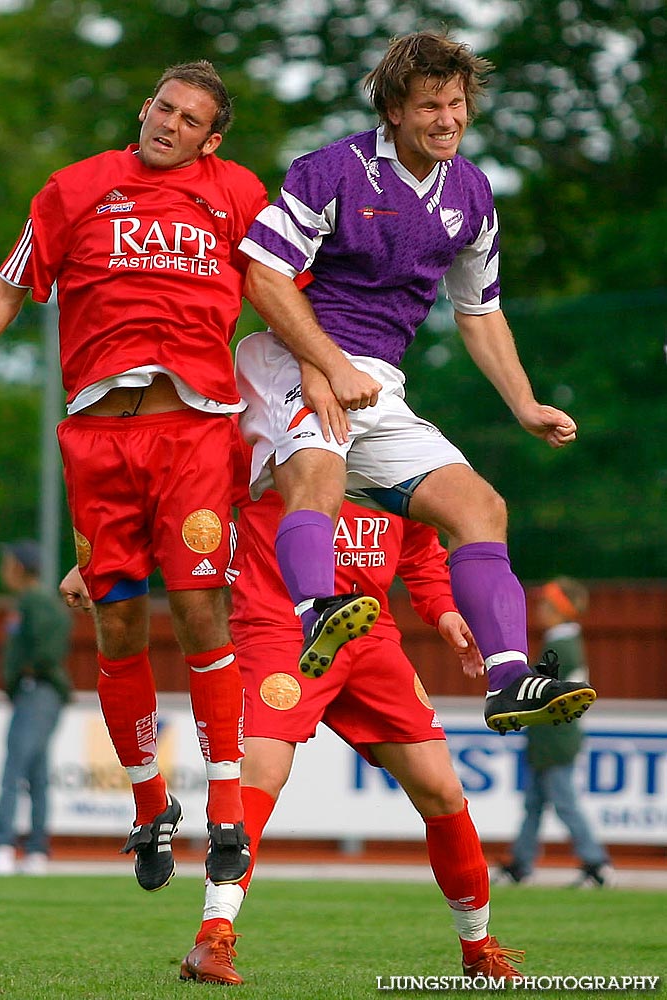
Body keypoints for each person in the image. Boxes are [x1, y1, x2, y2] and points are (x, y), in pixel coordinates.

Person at [0, 61, 269, 891]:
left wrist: (316, 385)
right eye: (162, 107)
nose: (169, 123)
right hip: (98, 442)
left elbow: (284, 297)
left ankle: (229, 808)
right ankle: (148, 804)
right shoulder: (74, 189)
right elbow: (5, 288)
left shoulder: (238, 194)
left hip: (194, 431)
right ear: (145, 108)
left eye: (190, 117)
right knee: (117, 626)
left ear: (212, 138)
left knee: (202, 608)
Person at [62, 432, 526, 985]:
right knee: (259, 773)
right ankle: (211, 940)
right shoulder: (270, 441)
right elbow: (182, 496)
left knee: (442, 790)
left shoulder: (395, 456)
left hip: (372, 638)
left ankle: (479, 951)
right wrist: (102, 564)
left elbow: (423, 557)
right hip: (279, 631)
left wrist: (446, 612)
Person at [233, 30, 596, 735]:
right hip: (295, 361)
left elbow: (479, 312)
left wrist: (522, 403)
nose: (447, 119)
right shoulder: (330, 170)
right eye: (430, 104)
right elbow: (265, 275)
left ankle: (508, 677)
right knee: (316, 477)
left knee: (479, 508)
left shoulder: (470, 193)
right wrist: (328, 365)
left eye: (456, 104)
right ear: (393, 109)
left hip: (378, 383)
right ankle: (316, 614)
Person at [495, 577, 614, 889]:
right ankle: (521, 864)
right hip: (549, 739)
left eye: (547, 605)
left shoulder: (560, 646)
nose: (540, 610)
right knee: (535, 804)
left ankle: (596, 864)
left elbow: (540, 693)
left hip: (554, 740)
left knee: (563, 803)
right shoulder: (562, 642)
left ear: (563, 609)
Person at [0, 540, 72, 875]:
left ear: (19, 567)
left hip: (37, 692)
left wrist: (25, 673)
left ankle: (2, 846)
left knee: (14, 770)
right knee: (36, 773)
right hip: (36, 694)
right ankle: (36, 851)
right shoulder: (30, 602)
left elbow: (51, 644)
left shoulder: (37, 603)